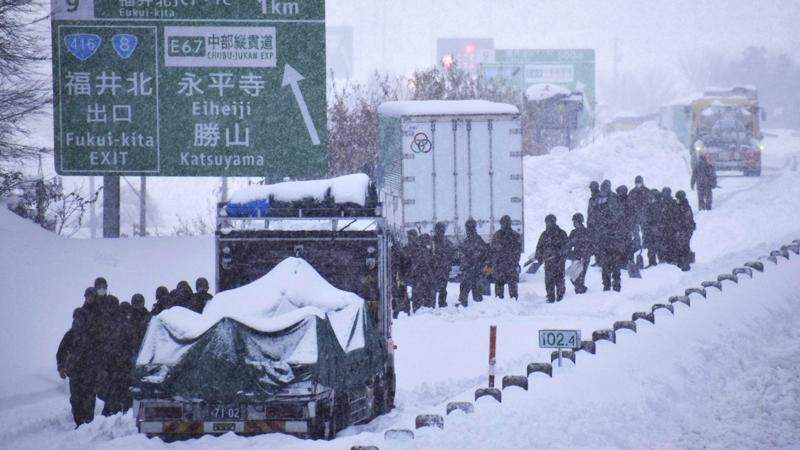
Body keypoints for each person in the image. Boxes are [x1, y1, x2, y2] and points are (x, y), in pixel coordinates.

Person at [57, 308, 97, 428]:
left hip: (89, 372)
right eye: (77, 318)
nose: (79, 321)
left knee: (89, 398)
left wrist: (99, 368)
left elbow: (99, 352)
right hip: (75, 373)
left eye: (81, 318)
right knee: (76, 399)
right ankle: (79, 423)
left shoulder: (91, 334)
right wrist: (61, 367)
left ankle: (88, 423)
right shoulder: (70, 335)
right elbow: (61, 352)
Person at [596, 181, 624, 291]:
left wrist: (608, 220)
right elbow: (595, 214)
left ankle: (616, 284)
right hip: (604, 236)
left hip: (614, 236)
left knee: (615, 262)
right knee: (605, 263)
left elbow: (617, 215)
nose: (603, 190)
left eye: (605, 188)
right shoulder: (599, 198)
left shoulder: (613, 198)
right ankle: (606, 285)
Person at [534, 214, 569, 302]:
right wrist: (539, 257)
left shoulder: (561, 233)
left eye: (550, 222)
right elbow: (539, 247)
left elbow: (566, 247)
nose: (548, 224)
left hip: (558, 261)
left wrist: (559, 254)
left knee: (558, 279)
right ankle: (551, 297)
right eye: (547, 222)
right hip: (549, 261)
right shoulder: (545, 234)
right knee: (550, 280)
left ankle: (560, 296)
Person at [458, 218, 488, 306]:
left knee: (466, 289)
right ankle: (473, 308)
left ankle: (465, 307)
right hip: (475, 271)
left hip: (472, 270)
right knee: (474, 291)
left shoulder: (472, 240)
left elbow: (471, 256)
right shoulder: (477, 240)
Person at [491, 215, 522, 300]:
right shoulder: (514, 235)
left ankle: (508, 302)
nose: (503, 225)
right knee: (507, 285)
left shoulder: (498, 235)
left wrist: (513, 261)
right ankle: (510, 301)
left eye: (504, 223)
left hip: (505, 265)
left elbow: (518, 251)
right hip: (506, 265)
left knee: (504, 286)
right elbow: (493, 250)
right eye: (502, 223)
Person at [566, 213, 592, 294]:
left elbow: (590, 245)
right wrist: (570, 254)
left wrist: (585, 255)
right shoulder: (574, 232)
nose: (574, 223)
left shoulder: (586, 232)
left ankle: (580, 292)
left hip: (583, 257)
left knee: (579, 276)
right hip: (577, 257)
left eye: (575, 221)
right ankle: (581, 289)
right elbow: (568, 245)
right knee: (574, 276)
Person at [432, 222, 455, 308]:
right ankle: (432, 304)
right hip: (434, 270)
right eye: (439, 231)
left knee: (443, 289)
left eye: (442, 231)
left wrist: (447, 263)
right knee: (433, 289)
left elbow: (452, 254)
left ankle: (442, 304)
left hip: (443, 269)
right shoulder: (432, 242)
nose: (440, 233)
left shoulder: (447, 243)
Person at [411, 233, 436, 310]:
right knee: (421, 296)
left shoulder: (428, 252)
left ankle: (427, 307)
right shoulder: (420, 252)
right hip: (421, 278)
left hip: (425, 278)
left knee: (426, 296)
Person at [674, 190, 696, 271]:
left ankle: (685, 264)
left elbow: (685, 219)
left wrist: (680, 226)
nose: (676, 200)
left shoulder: (685, 207)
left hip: (685, 229)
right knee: (683, 246)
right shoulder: (682, 206)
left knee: (683, 246)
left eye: (677, 198)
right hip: (685, 229)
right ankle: (683, 262)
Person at [628, 175, 650, 256]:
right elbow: (629, 204)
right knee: (635, 232)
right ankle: (637, 245)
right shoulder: (632, 192)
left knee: (646, 231)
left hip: (645, 215)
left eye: (639, 183)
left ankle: (646, 244)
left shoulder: (647, 191)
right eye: (637, 183)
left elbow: (649, 203)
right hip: (635, 216)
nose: (638, 185)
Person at [643, 188, 663, 267]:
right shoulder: (649, 206)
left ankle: (662, 262)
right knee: (650, 248)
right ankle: (652, 262)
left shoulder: (660, 206)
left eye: (652, 197)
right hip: (650, 230)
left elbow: (661, 219)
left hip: (658, 230)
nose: (651, 199)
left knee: (659, 247)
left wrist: (656, 227)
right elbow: (646, 218)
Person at [659, 187, 678, 265]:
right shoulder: (673, 202)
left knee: (667, 243)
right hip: (669, 226)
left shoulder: (662, 203)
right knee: (670, 243)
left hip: (667, 226)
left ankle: (668, 259)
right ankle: (671, 259)